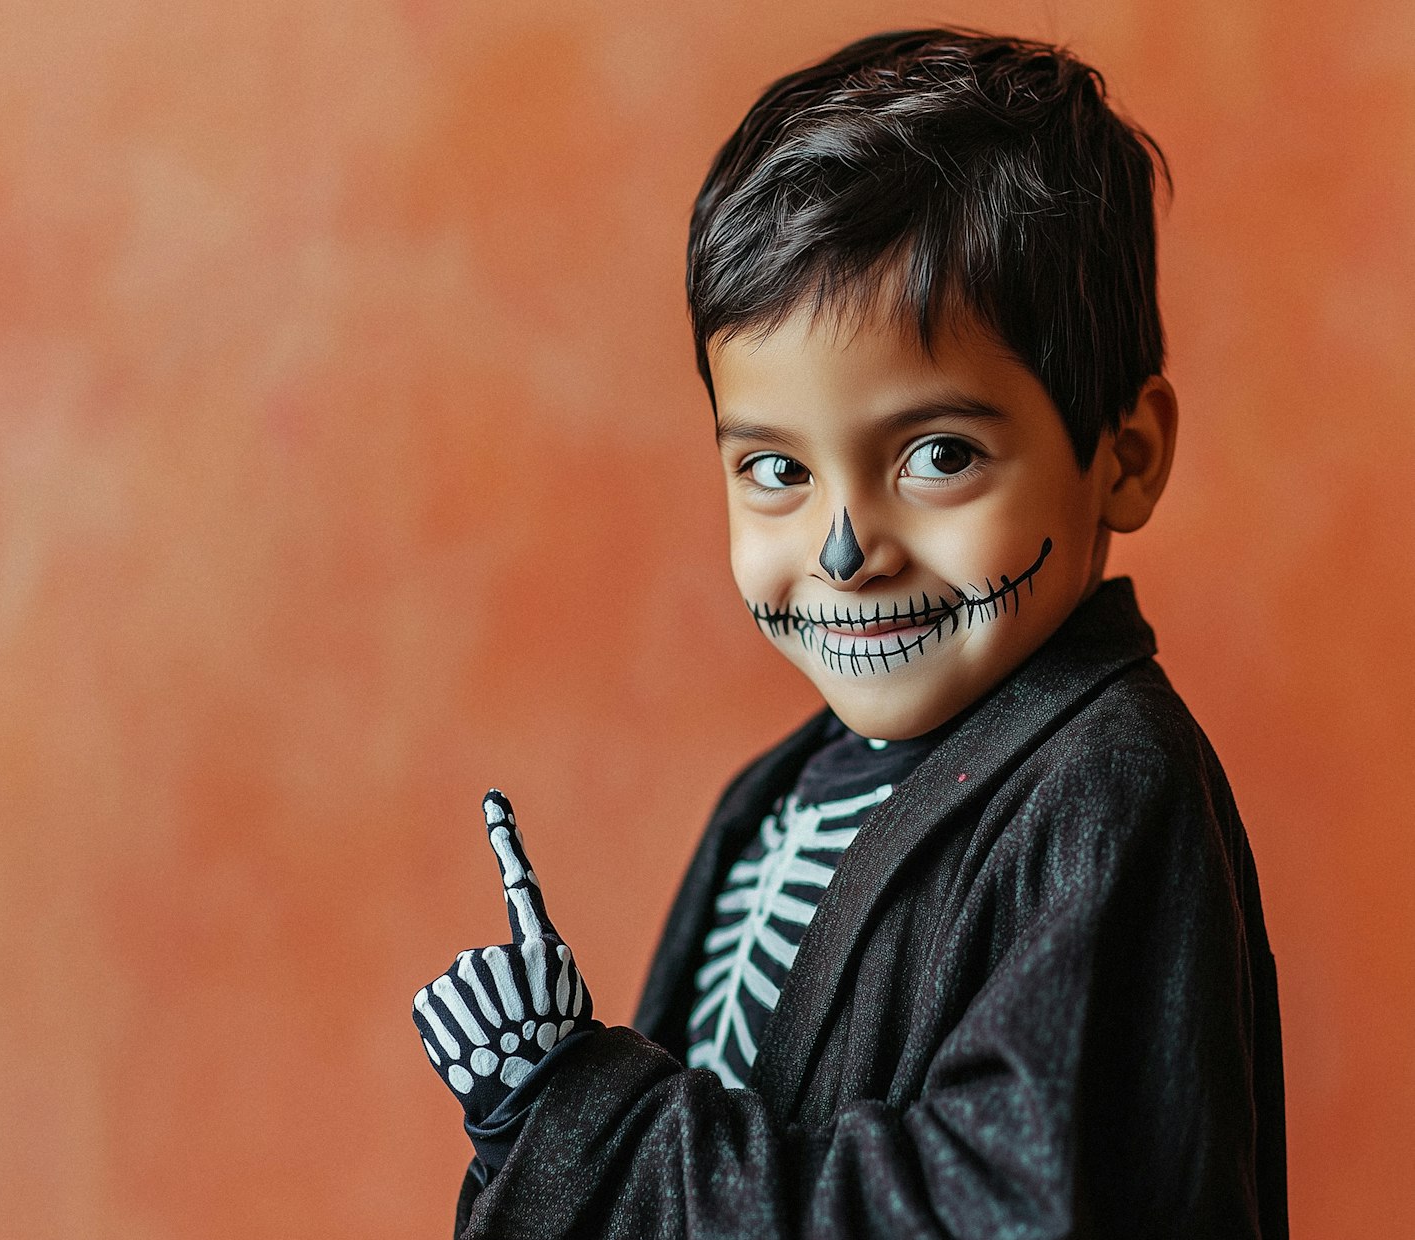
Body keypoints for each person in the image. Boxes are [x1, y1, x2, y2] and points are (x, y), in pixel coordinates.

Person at [412, 28, 1288, 1238]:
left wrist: (580, 1112)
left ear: (1124, 457)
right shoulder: (768, 800)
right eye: (775, 469)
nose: (841, 548)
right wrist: (528, 1106)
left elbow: (999, 1210)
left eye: (938, 456)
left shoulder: (1105, 790)